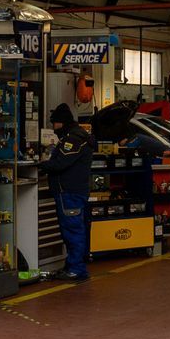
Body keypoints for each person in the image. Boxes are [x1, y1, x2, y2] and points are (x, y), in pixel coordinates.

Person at [42, 103, 95, 281]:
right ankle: (72, 265)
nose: (53, 127)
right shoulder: (75, 137)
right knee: (73, 230)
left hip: (70, 193)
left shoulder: (73, 139)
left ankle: (76, 269)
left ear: (61, 123)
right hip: (73, 192)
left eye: (54, 123)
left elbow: (60, 164)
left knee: (73, 231)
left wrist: (42, 165)